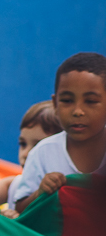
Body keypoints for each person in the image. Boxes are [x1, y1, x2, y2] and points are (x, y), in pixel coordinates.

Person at [13, 53, 106, 214]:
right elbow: (20, 209)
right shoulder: (42, 153)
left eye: (90, 101)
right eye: (67, 101)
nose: (78, 111)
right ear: (55, 104)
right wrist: (40, 192)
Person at [0, 101, 61, 212]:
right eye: (23, 144)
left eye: (38, 147)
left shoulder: (71, 193)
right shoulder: (12, 186)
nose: (26, 153)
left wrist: (17, 222)